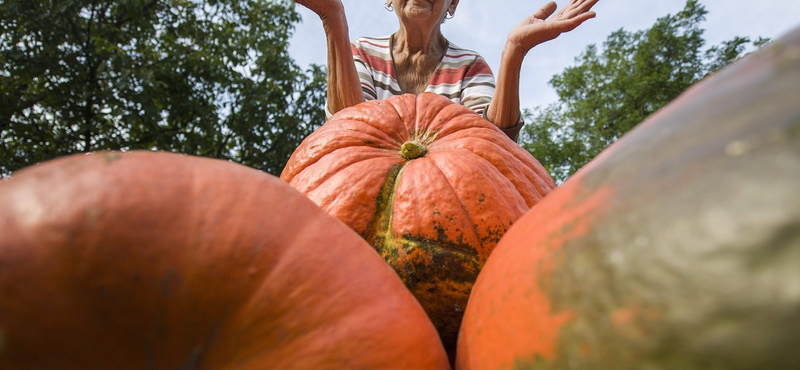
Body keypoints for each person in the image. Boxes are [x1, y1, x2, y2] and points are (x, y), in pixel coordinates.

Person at [295, 0, 599, 142]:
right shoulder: (361, 51)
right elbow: (349, 129)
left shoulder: (469, 65)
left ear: (452, 5)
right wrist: (332, 16)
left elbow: (493, 146)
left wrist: (514, 50)